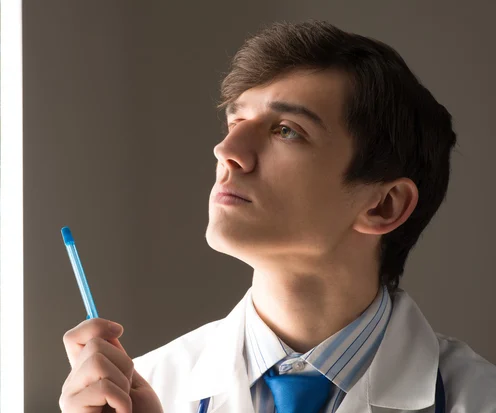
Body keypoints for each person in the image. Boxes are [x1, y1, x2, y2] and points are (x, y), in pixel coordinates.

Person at [59, 20, 496, 413]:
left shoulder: (479, 398)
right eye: (236, 123)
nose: (226, 152)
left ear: (384, 205)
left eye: (286, 130)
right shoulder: (144, 392)